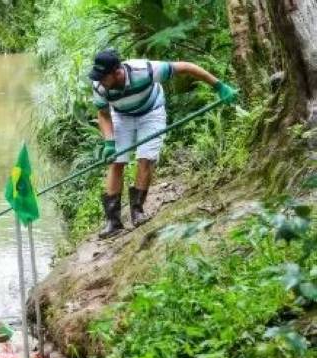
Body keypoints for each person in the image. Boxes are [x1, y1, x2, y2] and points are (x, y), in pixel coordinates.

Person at [88, 49, 238, 238]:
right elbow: (103, 114)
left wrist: (219, 87)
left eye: (103, 77)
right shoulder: (99, 86)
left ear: (116, 72)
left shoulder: (145, 70)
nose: (99, 80)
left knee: (146, 158)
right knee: (116, 162)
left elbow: (187, 67)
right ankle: (113, 222)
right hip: (122, 116)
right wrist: (109, 143)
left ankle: (137, 211)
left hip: (151, 111)